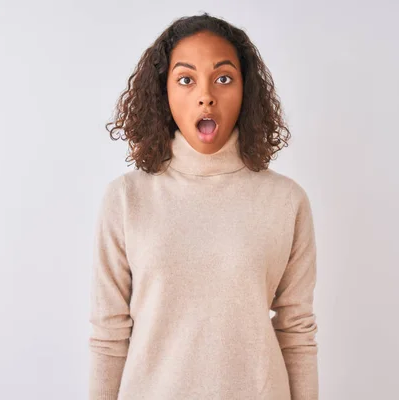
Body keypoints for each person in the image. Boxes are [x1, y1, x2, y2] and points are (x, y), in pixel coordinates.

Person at [88, 12, 319, 400]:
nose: (206, 94)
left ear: (246, 91)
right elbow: (108, 337)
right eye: (186, 79)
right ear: (164, 92)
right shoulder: (126, 199)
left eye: (224, 78)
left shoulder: (286, 201)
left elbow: (296, 333)